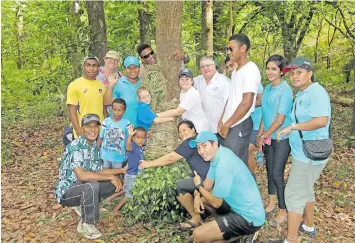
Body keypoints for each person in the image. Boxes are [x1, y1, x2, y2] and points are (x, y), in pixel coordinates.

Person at [268, 57, 331, 243]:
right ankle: (308, 225)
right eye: (292, 73)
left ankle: (291, 239)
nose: (295, 76)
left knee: (293, 194)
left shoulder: (316, 92)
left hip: (310, 154)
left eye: (299, 72)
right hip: (302, 152)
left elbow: (321, 121)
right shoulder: (303, 93)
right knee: (306, 189)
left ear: (310, 74)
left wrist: (293, 127)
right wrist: (288, 132)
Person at [54, 114, 125, 240]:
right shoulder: (75, 147)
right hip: (67, 191)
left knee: (114, 178)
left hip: (83, 187)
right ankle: (87, 223)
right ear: (81, 129)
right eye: (88, 126)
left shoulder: (93, 146)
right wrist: (110, 177)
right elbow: (82, 175)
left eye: (95, 126)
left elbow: (99, 170)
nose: (93, 129)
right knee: (93, 185)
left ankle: (87, 205)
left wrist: (121, 171)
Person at [189, 131, 265, 243]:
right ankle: (228, 232)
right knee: (203, 199)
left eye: (204, 146)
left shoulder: (223, 165)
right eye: (198, 147)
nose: (201, 151)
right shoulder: (219, 154)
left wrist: (198, 186)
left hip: (249, 218)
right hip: (236, 206)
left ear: (215, 143)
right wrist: (197, 195)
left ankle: (246, 234)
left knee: (198, 235)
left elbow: (216, 202)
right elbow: (208, 185)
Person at [139, 120, 211, 228]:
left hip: (207, 180)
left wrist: (149, 164)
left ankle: (196, 218)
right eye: (180, 132)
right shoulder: (198, 141)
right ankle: (203, 215)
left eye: (184, 130)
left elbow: (171, 158)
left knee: (180, 186)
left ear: (193, 130)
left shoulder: (191, 142)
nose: (182, 134)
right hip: (206, 178)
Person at [256, 55, 293, 227]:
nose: (270, 72)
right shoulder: (268, 87)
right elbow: (265, 113)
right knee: (270, 170)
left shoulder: (285, 90)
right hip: (268, 136)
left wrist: (265, 135)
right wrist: (260, 133)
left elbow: (279, 120)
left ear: (281, 71)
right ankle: (271, 203)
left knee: (277, 173)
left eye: (274, 69)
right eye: (268, 68)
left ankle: (283, 210)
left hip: (281, 138)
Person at [219, 33, 261, 165]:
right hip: (231, 124)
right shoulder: (237, 71)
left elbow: (247, 102)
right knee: (235, 165)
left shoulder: (251, 70)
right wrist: (221, 120)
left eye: (231, 48)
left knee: (233, 165)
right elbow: (232, 99)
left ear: (243, 48)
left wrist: (227, 124)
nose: (228, 52)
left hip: (240, 125)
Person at [67, 55, 107, 138]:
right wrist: (79, 132)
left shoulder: (101, 86)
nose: (91, 68)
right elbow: (72, 112)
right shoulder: (74, 85)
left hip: (99, 131)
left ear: (98, 68)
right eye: (88, 65)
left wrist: (106, 127)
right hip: (84, 130)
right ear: (83, 67)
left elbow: (103, 108)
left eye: (94, 65)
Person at [113, 126, 147, 212]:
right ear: (133, 138)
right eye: (138, 137)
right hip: (132, 175)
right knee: (129, 195)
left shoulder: (140, 147)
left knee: (128, 191)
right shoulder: (133, 146)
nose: (140, 140)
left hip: (136, 174)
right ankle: (115, 210)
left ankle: (110, 199)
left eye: (143, 138)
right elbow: (127, 147)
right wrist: (129, 136)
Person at [193, 56, 230, 133]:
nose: (206, 68)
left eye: (208, 65)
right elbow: (184, 80)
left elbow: (230, 104)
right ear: (200, 69)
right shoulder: (198, 80)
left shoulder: (225, 82)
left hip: (223, 126)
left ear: (214, 66)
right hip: (205, 127)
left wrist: (224, 123)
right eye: (202, 67)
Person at [104, 56, 141, 126]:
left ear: (139, 68)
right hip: (121, 130)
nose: (132, 70)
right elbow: (106, 102)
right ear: (124, 69)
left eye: (135, 67)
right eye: (129, 68)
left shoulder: (144, 83)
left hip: (140, 131)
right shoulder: (119, 83)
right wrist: (111, 85)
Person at [97, 98, 130, 170]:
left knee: (116, 174)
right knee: (104, 174)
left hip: (118, 156)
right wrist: (95, 150)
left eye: (119, 110)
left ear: (124, 111)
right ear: (111, 109)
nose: (117, 112)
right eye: (115, 109)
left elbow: (128, 138)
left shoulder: (127, 123)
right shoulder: (106, 122)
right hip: (105, 155)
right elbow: (100, 137)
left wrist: (128, 151)